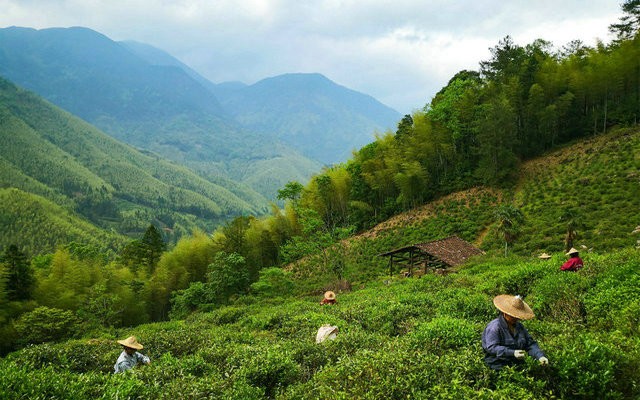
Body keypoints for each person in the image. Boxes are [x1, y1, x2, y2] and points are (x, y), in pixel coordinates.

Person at [482, 294, 548, 371]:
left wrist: (540, 356)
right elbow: (492, 348)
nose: (515, 317)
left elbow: (530, 344)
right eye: (512, 315)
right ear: (505, 313)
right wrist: (512, 352)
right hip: (497, 365)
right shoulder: (494, 327)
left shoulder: (519, 327)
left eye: (517, 315)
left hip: (516, 365)